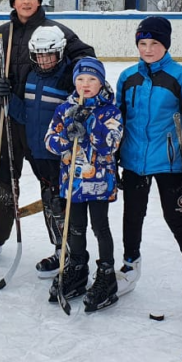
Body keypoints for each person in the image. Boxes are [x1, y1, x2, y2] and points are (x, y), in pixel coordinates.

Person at [0, 0, 95, 262]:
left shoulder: (56, 32)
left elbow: (85, 58)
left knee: (51, 182)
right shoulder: (1, 35)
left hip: (45, 121)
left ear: (38, 1)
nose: (26, 2)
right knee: (3, 177)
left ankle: (60, 243)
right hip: (8, 117)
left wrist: (70, 79)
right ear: (13, 2)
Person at [115, 16, 182, 319]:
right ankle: (130, 265)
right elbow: (120, 118)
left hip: (170, 162)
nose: (148, 49)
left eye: (154, 43)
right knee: (132, 216)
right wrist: (114, 154)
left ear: (165, 45)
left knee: (176, 218)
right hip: (133, 159)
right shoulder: (128, 77)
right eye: (143, 43)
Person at [44, 57, 124, 312]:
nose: (85, 84)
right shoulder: (65, 109)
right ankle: (78, 267)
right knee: (75, 227)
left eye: (92, 79)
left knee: (100, 227)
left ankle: (106, 274)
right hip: (72, 184)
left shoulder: (110, 111)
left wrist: (89, 123)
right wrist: (67, 136)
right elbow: (50, 140)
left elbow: (109, 145)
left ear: (101, 82)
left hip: (99, 184)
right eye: (80, 79)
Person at [19, 26, 75, 277]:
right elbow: (27, 115)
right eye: (39, 55)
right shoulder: (30, 76)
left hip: (62, 157)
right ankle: (59, 248)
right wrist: (7, 100)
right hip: (38, 154)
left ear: (60, 52)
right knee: (51, 205)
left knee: (65, 205)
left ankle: (73, 252)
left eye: (48, 55)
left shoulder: (70, 76)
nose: (43, 60)